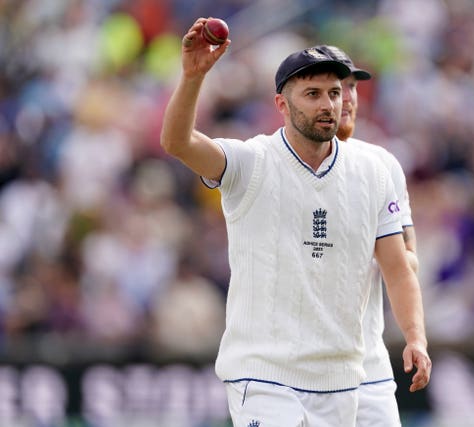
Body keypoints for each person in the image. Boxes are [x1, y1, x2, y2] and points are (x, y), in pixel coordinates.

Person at [160, 17, 432, 426]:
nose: (329, 104)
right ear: (282, 105)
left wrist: (416, 337)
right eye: (312, 94)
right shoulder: (251, 161)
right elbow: (178, 143)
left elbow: (398, 266)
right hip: (264, 371)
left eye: (334, 93)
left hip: (344, 374)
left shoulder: (374, 170)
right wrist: (192, 77)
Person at [315, 45, 420, 427]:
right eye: (335, 89)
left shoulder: (381, 165)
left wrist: (382, 250)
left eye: (350, 88)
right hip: (298, 367)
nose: (346, 100)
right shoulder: (280, 161)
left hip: (366, 361)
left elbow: (408, 257)